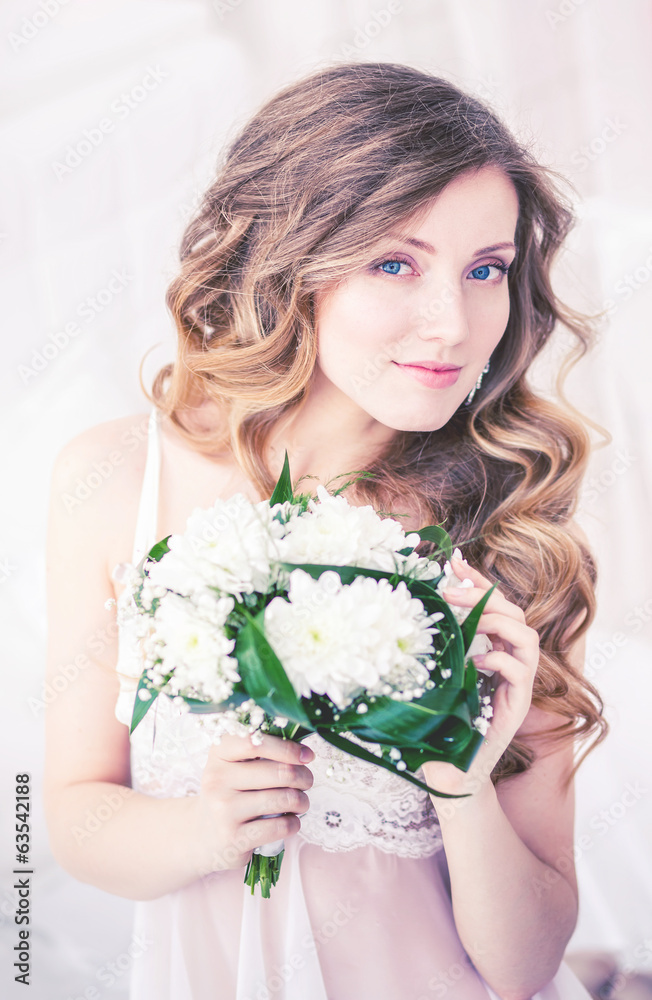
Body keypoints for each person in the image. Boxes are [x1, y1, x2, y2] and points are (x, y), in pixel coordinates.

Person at [44, 61, 609, 1000]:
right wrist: (205, 827)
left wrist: (460, 783)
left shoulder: (510, 525)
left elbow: (523, 966)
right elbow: (70, 815)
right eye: (395, 263)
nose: (453, 325)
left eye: (486, 271)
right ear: (287, 261)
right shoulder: (113, 481)